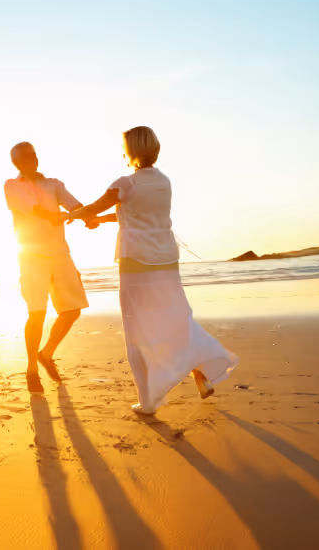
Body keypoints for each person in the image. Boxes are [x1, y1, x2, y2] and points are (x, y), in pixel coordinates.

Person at [67, 126, 238, 414]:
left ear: (129, 153)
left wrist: (74, 214)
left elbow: (96, 206)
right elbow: (132, 212)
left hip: (136, 262)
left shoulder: (125, 183)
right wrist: (101, 219)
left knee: (138, 329)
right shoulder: (163, 181)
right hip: (166, 259)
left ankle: (149, 401)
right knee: (176, 320)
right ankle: (201, 374)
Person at [4, 141, 89, 394]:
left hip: (60, 254)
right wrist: (54, 215)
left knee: (73, 310)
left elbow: (74, 205)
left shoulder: (54, 184)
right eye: (23, 158)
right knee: (37, 313)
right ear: (16, 163)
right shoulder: (11, 186)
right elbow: (35, 210)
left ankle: (47, 353)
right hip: (31, 256)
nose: (30, 161)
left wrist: (87, 216)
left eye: (32, 156)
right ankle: (31, 369)